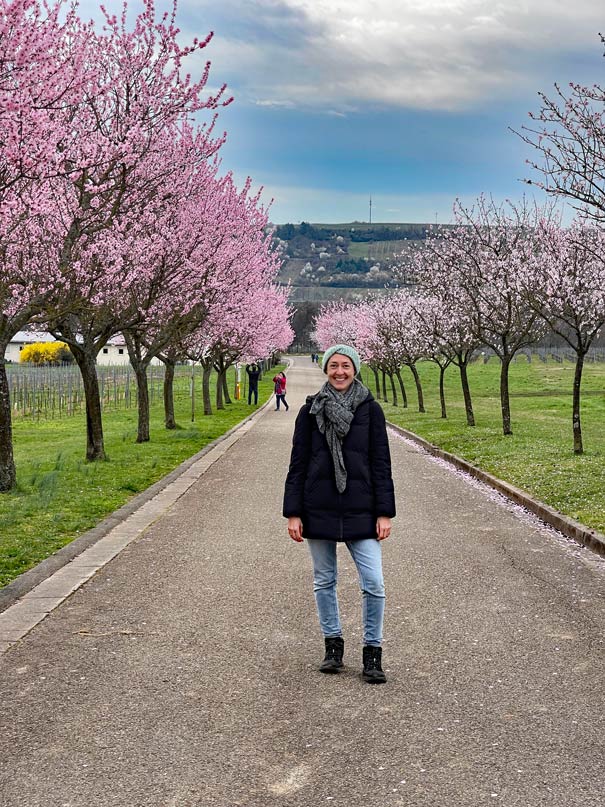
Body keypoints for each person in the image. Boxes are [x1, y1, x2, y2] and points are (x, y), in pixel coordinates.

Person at [283, 344, 395, 683]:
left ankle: (372, 653)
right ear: (326, 369)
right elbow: (298, 464)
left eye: (346, 365)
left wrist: (384, 513)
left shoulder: (370, 410)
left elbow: (381, 464)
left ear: (355, 369)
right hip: (319, 508)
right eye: (334, 365)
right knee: (324, 581)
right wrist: (293, 512)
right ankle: (333, 646)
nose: (340, 372)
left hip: (362, 509)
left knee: (374, 583)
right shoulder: (310, 411)